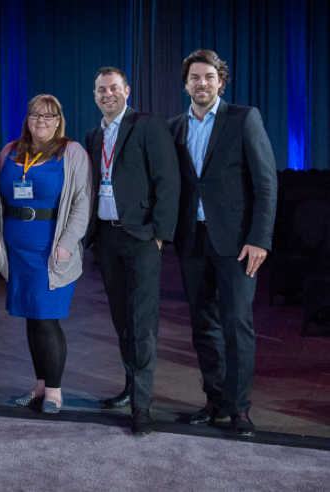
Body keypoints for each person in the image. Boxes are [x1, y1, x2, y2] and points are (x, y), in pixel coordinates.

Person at [168, 49, 277, 437]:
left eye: (209, 77)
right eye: (195, 78)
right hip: (192, 240)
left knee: (236, 325)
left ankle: (238, 407)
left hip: (237, 244)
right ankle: (214, 399)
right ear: (186, 84)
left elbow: (266, 183)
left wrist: (260, 239)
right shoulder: (174, 127)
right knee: (203, 326)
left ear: (221, 82)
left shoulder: (244, 118)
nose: (202, 83)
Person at [84, 67, 180, 436]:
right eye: (100, 89)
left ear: (127, 90)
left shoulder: (148, 125)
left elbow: (168, 181)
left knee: (141, 323)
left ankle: (142, 406)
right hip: (107, 239)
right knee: (122, 321)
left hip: (141, 238)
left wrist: (159, 235)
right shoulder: (94, 135)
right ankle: (130, 387)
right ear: (94, 95)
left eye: (113, 88)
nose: (107, 94)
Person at [0, 95, 91, 413]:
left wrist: (67, 243)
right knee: (32, 318)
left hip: (50, 250)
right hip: (17, 248)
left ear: (58, 120)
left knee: (47, 319)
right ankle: (39, 386)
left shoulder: (71, 152)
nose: (41, 121)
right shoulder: (10, 151)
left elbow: (82, 201)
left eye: (49, 116)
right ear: (27, 118)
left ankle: (54, 392)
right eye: (36, 115)